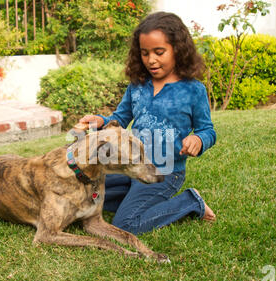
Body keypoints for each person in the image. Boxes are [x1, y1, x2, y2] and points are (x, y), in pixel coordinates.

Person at [78, 12, 216, 235]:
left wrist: (199, 139)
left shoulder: (193, 90)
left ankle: (190, 202)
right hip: (130, 167)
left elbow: (207, 130)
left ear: (178, 49)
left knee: (126, 224)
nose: (151, 59)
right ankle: (135, 198)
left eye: (159, 52)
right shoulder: (137, 85)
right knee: (84, 195)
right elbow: (120, 119)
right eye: (145, 53)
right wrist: (101, 121)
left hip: (164, 172)